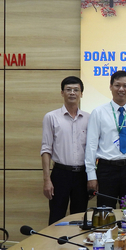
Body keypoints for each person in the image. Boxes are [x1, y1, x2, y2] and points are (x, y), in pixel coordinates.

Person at [85, 70, 126, 207]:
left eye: (125, 86)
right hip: (106, 170)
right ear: (110, 87)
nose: (121, 89)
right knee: (105, 214)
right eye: (117, 85)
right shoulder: (98, 113)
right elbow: (91, 146)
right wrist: (91, 175)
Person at [41, 76, 90, 225]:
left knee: (80, 219)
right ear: (62, 93)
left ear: (81, 94)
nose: (72, 93)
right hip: (60, 174)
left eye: (76, 90)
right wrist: (47, 180)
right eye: (68, 89)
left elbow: (93, 149)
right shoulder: (51, 117)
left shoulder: (89, 118)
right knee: (56, 217)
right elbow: (45, 149)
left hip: (82, 175)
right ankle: (54, 248)